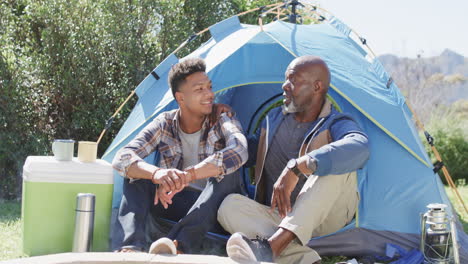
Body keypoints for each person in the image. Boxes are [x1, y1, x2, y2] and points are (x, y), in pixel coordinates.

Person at [217, 56, 370, 264]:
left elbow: (360, 146)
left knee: (335, 165)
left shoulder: (336, 122)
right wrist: (221, 125)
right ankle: (303, 258)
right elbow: (246, 152)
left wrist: (299, 166)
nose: (284, 86)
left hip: (326, 217)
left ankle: (271, 247)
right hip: (282, 215)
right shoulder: (273, 120)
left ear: (317, 87)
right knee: (228, 207)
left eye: (293, 80)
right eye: (285, 79)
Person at [112, 58, 248, 254]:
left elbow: (240, 149)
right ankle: (131, 247)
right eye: (200, 89)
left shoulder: (222, 118)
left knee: (229, 173)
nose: (210, 94)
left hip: (215, 209)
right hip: (176, 202)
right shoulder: (164, 123)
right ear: (181, 98)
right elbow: (122, 157)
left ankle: (178, 246)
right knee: (135, 174)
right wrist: (157, 174)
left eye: (209, 87)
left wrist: (189, 175)